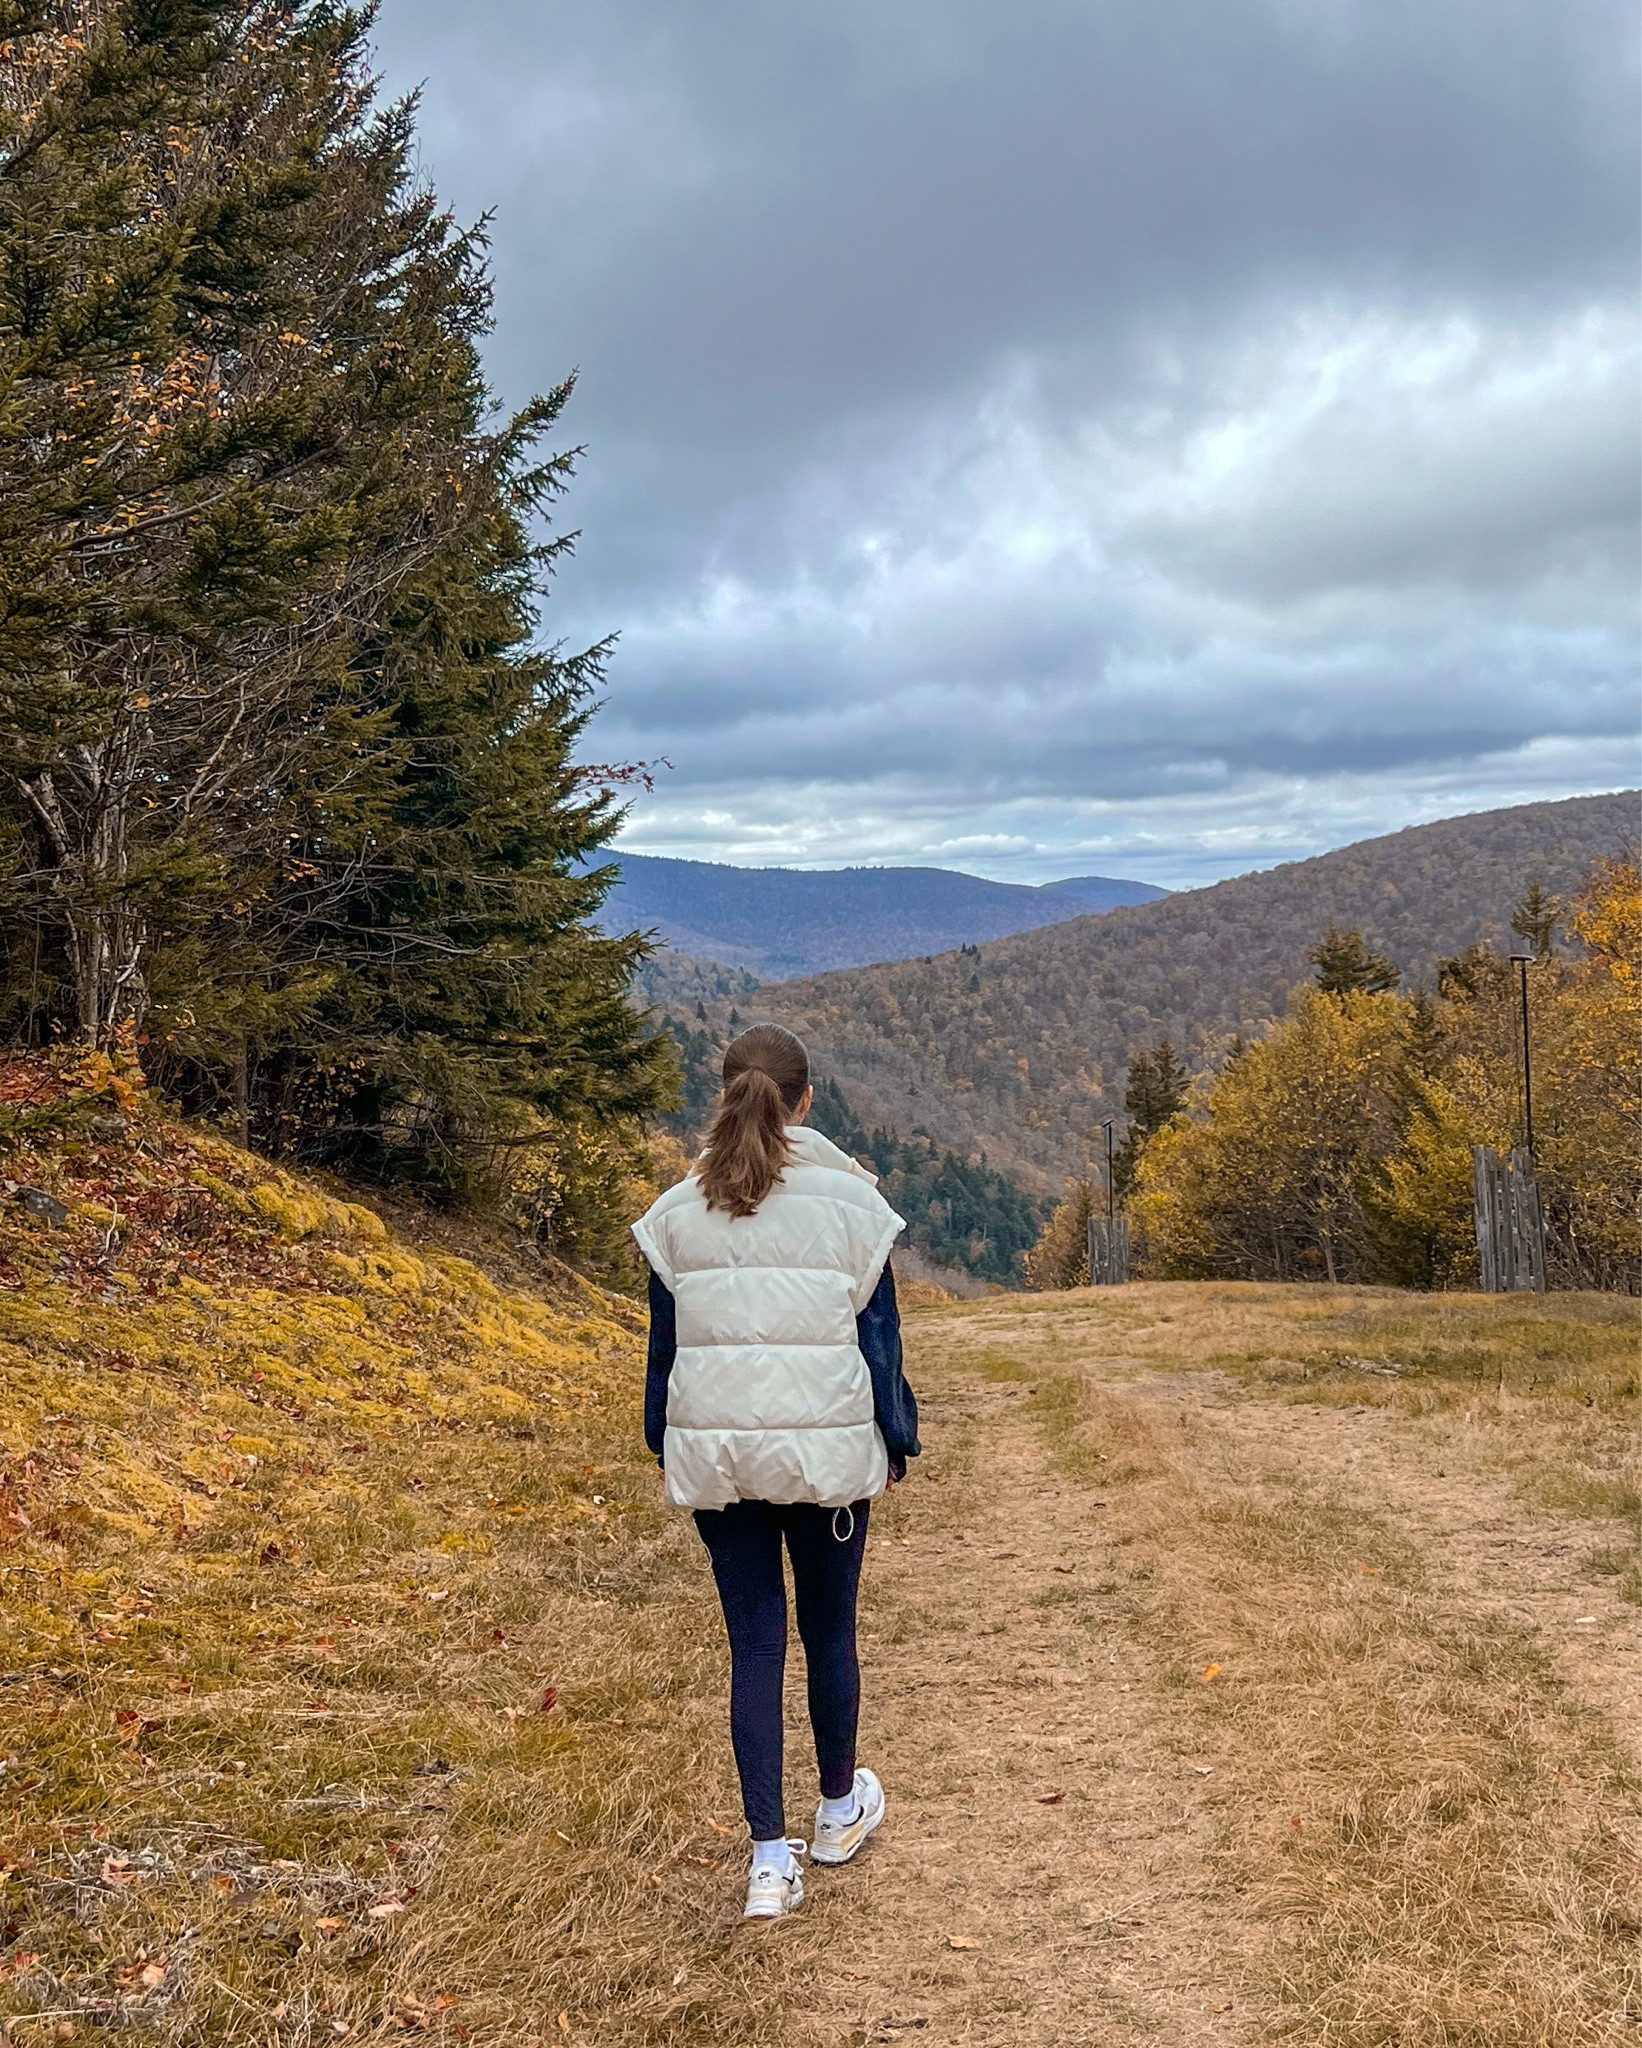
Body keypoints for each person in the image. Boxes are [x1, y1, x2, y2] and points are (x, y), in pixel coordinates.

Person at [633, 1023, 920, 1921]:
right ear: (805, 1100)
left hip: (721, 1458)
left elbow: (665, 1355)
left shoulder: (675, 1212)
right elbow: (879, 1346)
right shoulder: (854, 1208)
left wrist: (666, 1441)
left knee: (754, 1647)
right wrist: (896, 1439)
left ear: (724, 1094)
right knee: (828, 1633)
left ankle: (768, 1862)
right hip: (825, 1455)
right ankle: (838, 1813)